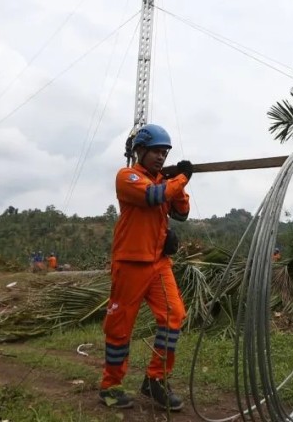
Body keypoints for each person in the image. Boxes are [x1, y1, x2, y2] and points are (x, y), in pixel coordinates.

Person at [98, 123, 192, 411]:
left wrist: (175, 182)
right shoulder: (128, 177)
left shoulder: (164, 181)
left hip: (158, 265)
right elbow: (153, 197)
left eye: (164, 152)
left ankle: (155, 380)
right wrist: (181, 179)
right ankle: (110, 386)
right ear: (140, 151)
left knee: (174, 316)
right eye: (155, 152)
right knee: (120, 328)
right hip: (130, 264)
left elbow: (182, 213)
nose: (160, 157)